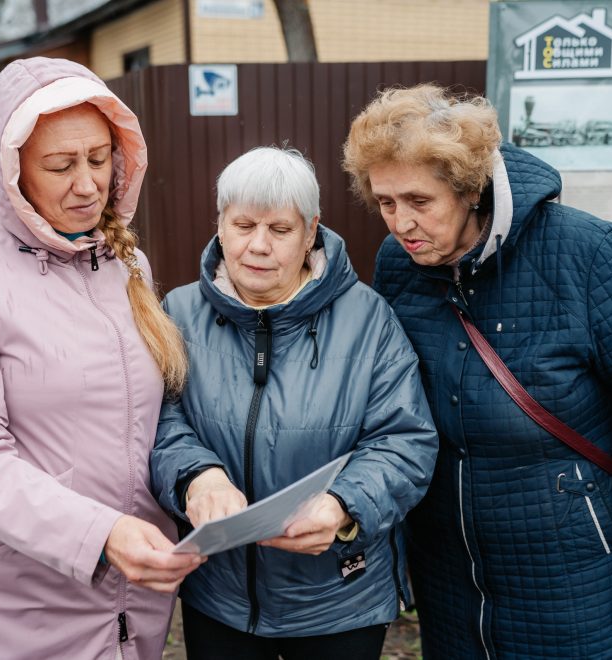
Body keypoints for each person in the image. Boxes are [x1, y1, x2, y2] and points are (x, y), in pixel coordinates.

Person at [343, 85, 612, 658]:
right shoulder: (399, 265)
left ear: (469, 189)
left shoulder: (591, 254)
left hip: (581, 569)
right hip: (450, 570)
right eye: (386, 202)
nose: (401, 222)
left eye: (419, 200)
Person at [0, 57, 204, 659]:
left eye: (98, 158)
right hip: (9, 607)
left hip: (131, 600)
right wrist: (100, 533)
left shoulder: (125, 265)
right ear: (14, 174)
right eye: (61, 166)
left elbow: (150, 419)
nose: (88, 184)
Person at [150, 146, 438, 659]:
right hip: (220, 597)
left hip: (339, 598)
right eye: (243, 225)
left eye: (280, 230)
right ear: (220, 224)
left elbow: (404, 440)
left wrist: (344, 506)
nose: (258, 246)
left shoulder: (368, 320)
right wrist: (197, 475)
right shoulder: (179, 313)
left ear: (311, 232)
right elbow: (158, 420)